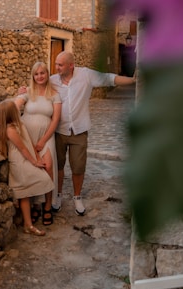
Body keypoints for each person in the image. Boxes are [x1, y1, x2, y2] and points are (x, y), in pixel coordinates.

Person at [49, 51, 136, 216]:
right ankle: (58, 196)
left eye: (60, 65)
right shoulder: (53, 80)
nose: (56, 67)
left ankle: (77, 197)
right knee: (58, 166)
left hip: (79, 131)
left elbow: (109, 78)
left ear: (71, 65)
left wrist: (132, 80)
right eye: (56, 64)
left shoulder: (86, 75)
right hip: (59, 131)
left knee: (78, 167)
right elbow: (35, 89)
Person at [0, 99, 54, 236]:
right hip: (19, 162)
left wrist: (37, 157)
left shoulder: (18, 125)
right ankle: (28, 224)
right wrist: (35, 162)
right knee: (29, 189)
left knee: (26, 193)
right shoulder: (10, 130)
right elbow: (22, 148)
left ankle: (28, 224)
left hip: (24, 159)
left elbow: (28, 144)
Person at [15, 61, 61, 226]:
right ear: (33, 76)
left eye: (42, 73)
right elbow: (15, 106)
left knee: (47, 168)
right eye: (36, 74)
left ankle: (47, 206)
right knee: (33, 169)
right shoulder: (27, 92)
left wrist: (42, 141)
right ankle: (35, 205)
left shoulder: (54, 94)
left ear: (47, 74)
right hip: (28, 137)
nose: (40, 76)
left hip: (46, 137)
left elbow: (55, 120)